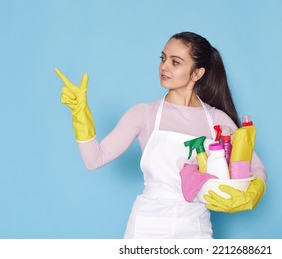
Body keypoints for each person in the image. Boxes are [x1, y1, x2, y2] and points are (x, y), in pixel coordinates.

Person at [55, 31, 267, 239]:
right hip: (147, 226)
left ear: (197, 73)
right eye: (163, 58)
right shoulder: (144, 114)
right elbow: (94, 160)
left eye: (175, 62)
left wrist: (254, 190)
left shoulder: (217, 121)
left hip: (195, 227)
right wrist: (80, 114)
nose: (164, 67)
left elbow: (255, 166)